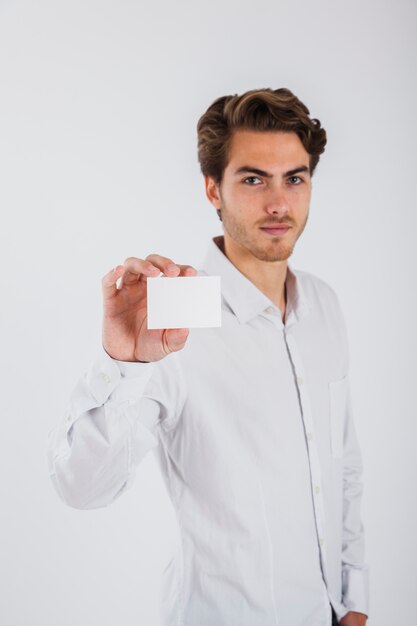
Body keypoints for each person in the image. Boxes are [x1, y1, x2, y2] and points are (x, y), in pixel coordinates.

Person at [47, 87, 369, 626]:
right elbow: (81, 488)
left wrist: (353, 602)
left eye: (294, 178)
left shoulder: (325, 306)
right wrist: (126, 363)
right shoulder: (173, 322)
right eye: (252, 179)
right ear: (212, 190)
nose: (278, 203)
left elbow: (344, 467)